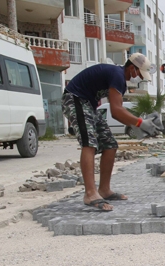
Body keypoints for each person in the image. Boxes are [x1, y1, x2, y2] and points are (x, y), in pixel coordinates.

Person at [62, 53, 158, 211]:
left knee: (110, 144)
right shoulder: (117, 75)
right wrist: (140, 122)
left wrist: (136, 126)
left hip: (89, 105)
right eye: (140, 74)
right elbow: (115, 111)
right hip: (75, 99)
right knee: (89, 143)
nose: (139, 78)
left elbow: (118, 112)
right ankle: (90, 193)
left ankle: (104, 190)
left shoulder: (120, 80)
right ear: (132, 68)